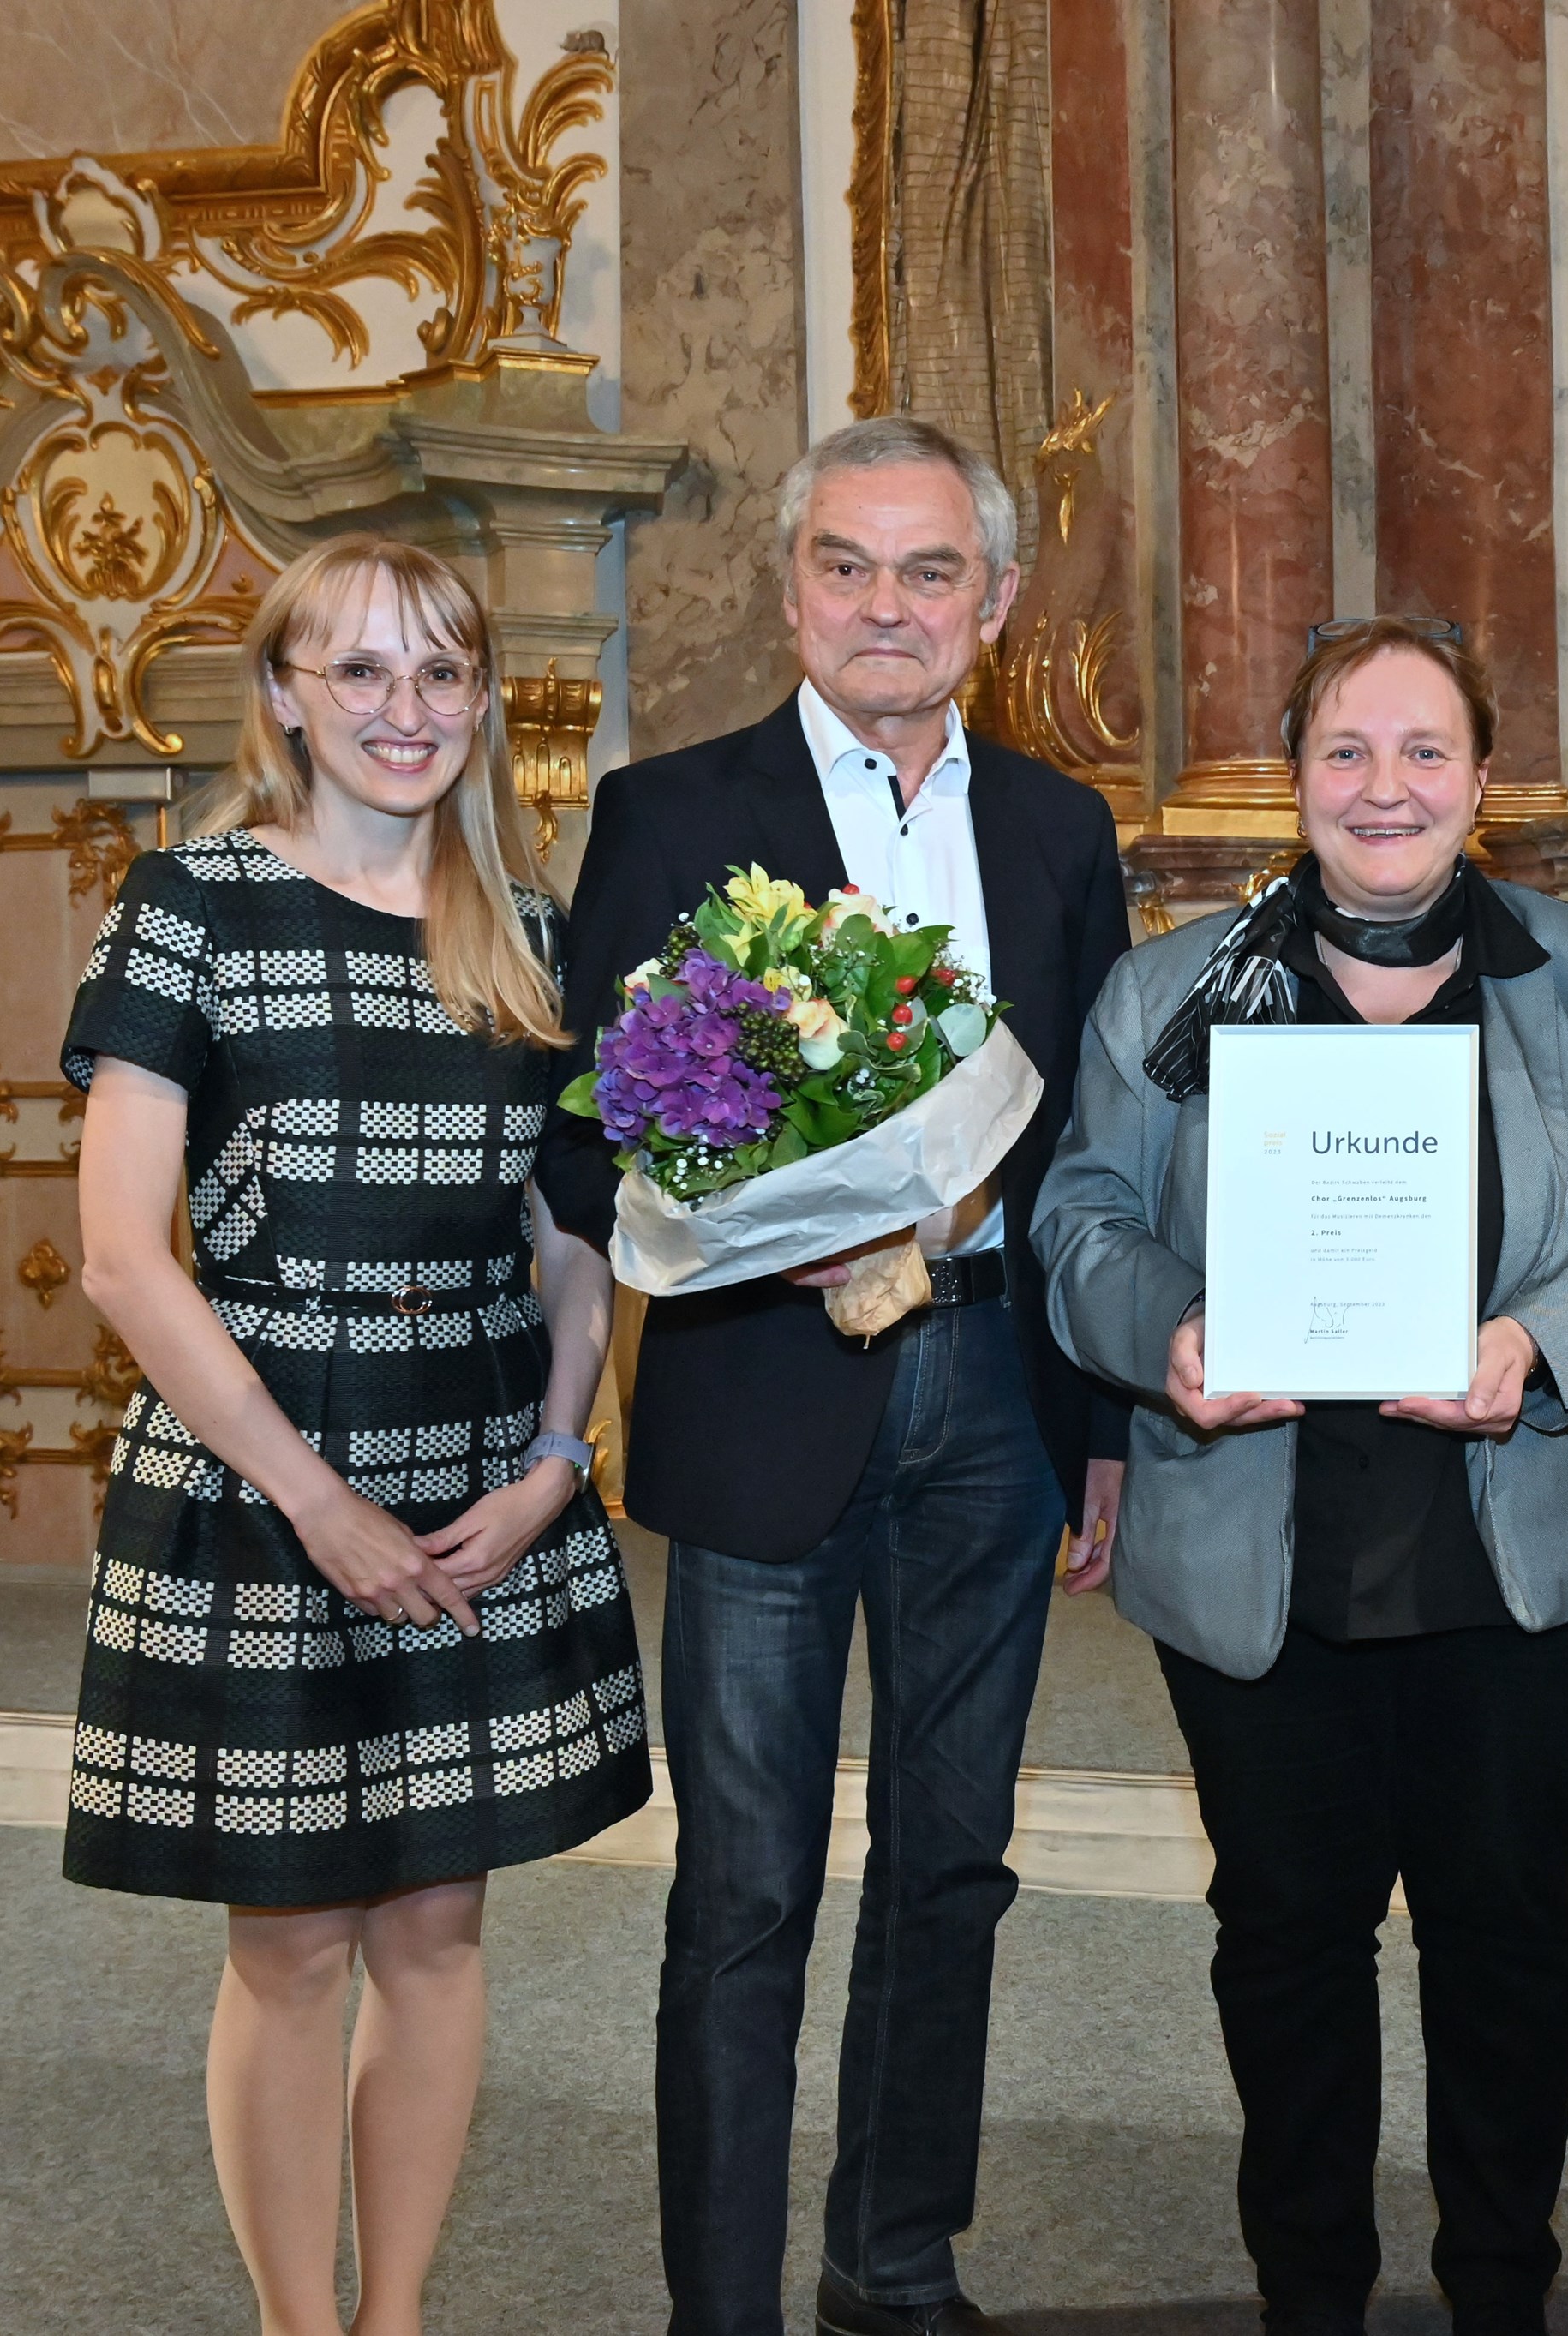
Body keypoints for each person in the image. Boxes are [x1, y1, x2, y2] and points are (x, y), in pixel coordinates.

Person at [1033, 616, 1568, 2336]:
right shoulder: (1169, 987)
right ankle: (1310, 2294)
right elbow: (1075, 1222)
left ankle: (1500, 2283)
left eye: (1424, 751)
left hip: (1519, 1543)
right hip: (1256, 1536)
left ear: (1481, 783)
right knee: (1282, 1936)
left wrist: (1543, 1337)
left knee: (1503, 1930)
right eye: (1345, 751)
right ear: (1293, 783)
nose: (1384, 787)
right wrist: (1169, 1327)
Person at [539, 416, 1133, 2336]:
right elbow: (576, 1144)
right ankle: (721, 2307)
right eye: (849, 568)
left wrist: (1100, 1425)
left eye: (930, 570)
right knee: (744, 1893)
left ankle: (893, 2262)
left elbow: (1101, 1159)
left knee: (953, 1863)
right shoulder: (665, 815)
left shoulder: (1058, 830)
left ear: (996, 603)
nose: (888, 606)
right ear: (790, 589)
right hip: (763, 1399)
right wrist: (729, 1205)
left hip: (993, 1407)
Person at [63, 535, 649, 2336]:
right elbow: (117, 1256)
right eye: (366, 672)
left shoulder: (530, 931)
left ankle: (396, 2314)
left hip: (481, 1465)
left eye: (443, 673)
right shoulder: (190, 904)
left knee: (439, 1925)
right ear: (289, 695)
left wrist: (558, 1460)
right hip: (260, 1470)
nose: (409, 711)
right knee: (296, 1935)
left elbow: (572, 1243)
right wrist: (313, 1497)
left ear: (482, 699)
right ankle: (297, 2325)